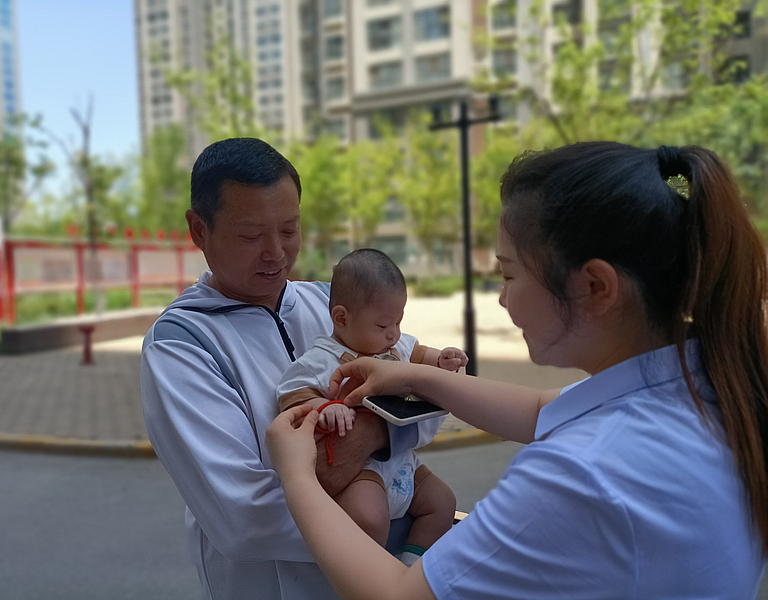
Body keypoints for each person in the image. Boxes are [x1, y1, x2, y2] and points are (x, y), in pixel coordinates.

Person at [266, 142, 768, 599]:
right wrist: (414, 376)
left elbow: (399, 595)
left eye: (510, 274)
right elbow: (539, 409)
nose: (503, 299)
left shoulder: (578, 473)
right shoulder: (710, 382)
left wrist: (297, 476)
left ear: (595, 287)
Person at [140, 137, 444, 600]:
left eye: (289, 229)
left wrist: (375, 433)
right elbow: (242, 517)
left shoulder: (330, 302)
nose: (276, 253)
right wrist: (389, 430)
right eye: (251, 235)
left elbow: (434, 397)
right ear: (199, 229)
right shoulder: (182, 345)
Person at [276, 248, 466, 564]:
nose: (393, 334)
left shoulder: (398, 346)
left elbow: (424, 357)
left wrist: (444, 360)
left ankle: (411, 565)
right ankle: (375, 575)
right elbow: (291, 397)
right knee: (369, 519)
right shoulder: (320, 362)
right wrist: (323, 407)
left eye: (399, 321)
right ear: (341, 318)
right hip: (360, 469)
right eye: (382, 325)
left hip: (403, 462)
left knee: (443, 502)